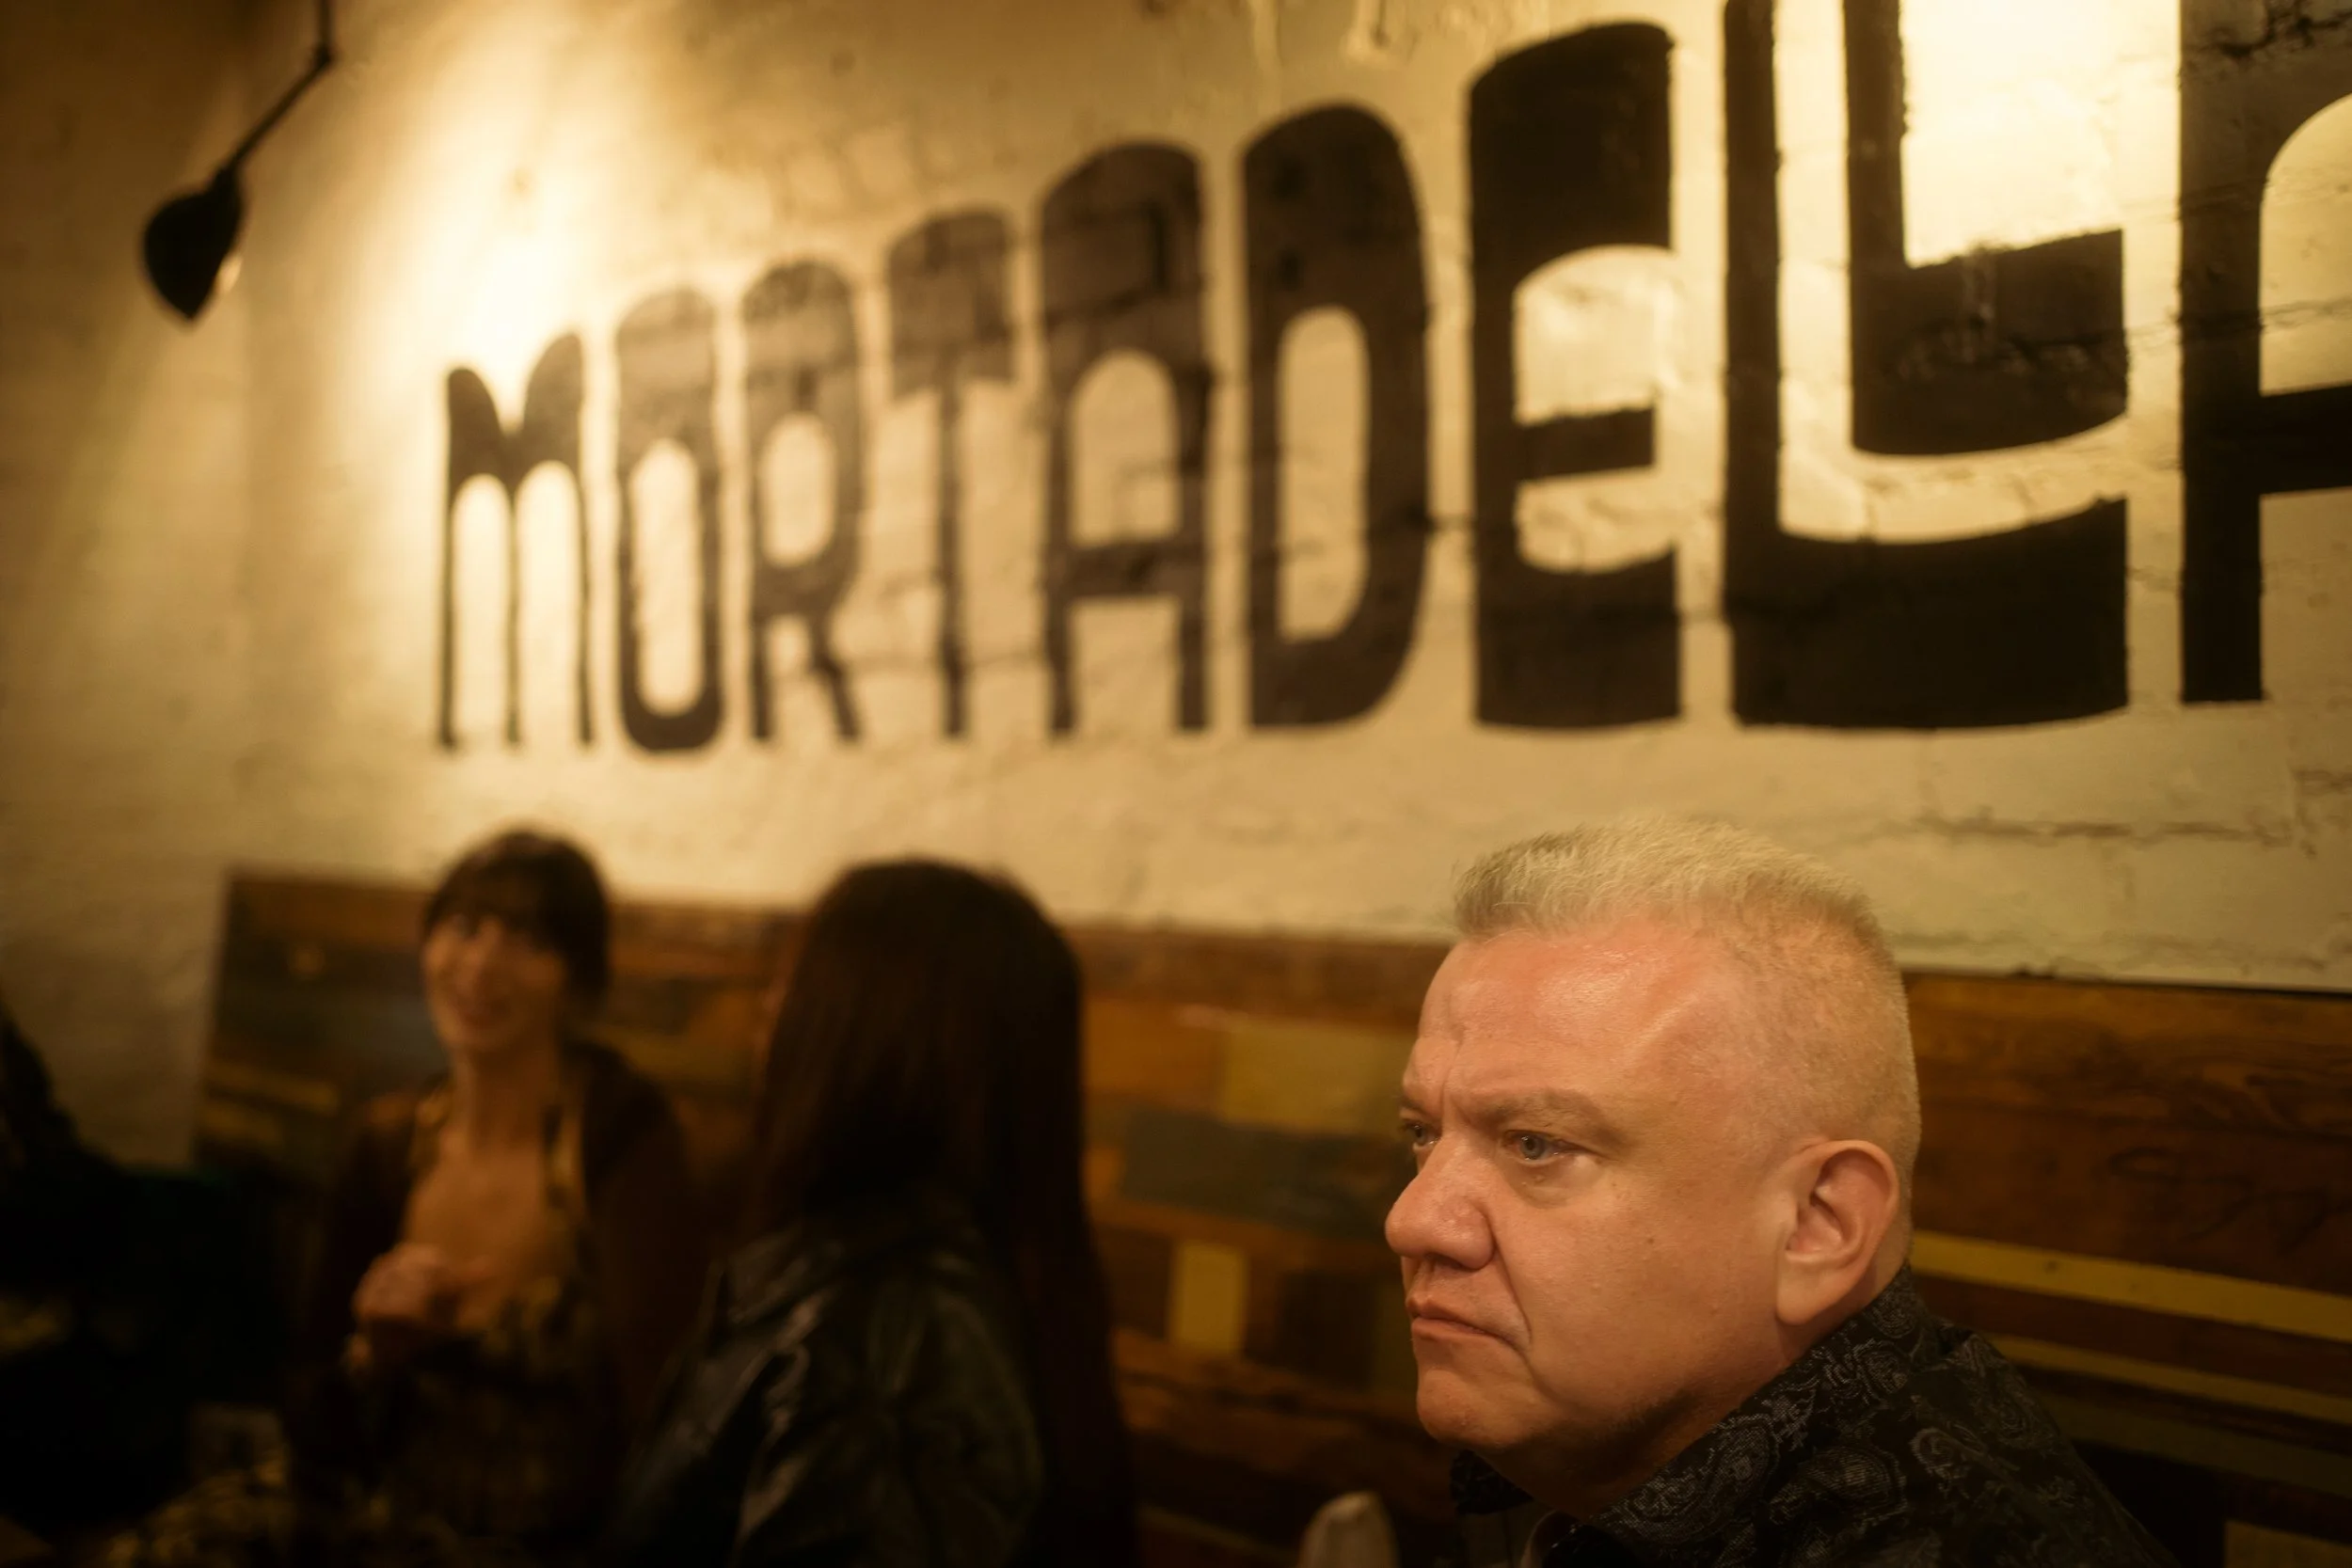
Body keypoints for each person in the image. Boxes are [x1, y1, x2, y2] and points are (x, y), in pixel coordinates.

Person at [1388, 818, 2173, 1568]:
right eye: (1423, 1133)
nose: (1414, 1219)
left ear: (1816, 1224)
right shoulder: (1594, 1460)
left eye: (1538, 1144)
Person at [107, 829, 707, 1567]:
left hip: (541, 1539)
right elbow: (310, 1408)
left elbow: (667, 1410)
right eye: (463, 926)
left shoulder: (615, 1135)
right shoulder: (390, 1140)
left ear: (576, 983)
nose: (482, 964)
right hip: (370, 1502)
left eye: (527, 939)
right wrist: (373, 1353)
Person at [600, 860, 1136, 1568]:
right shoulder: (868, 1276)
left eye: (795, 981)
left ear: (869, 1033)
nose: (768, 1009)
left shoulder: (896, 1335)